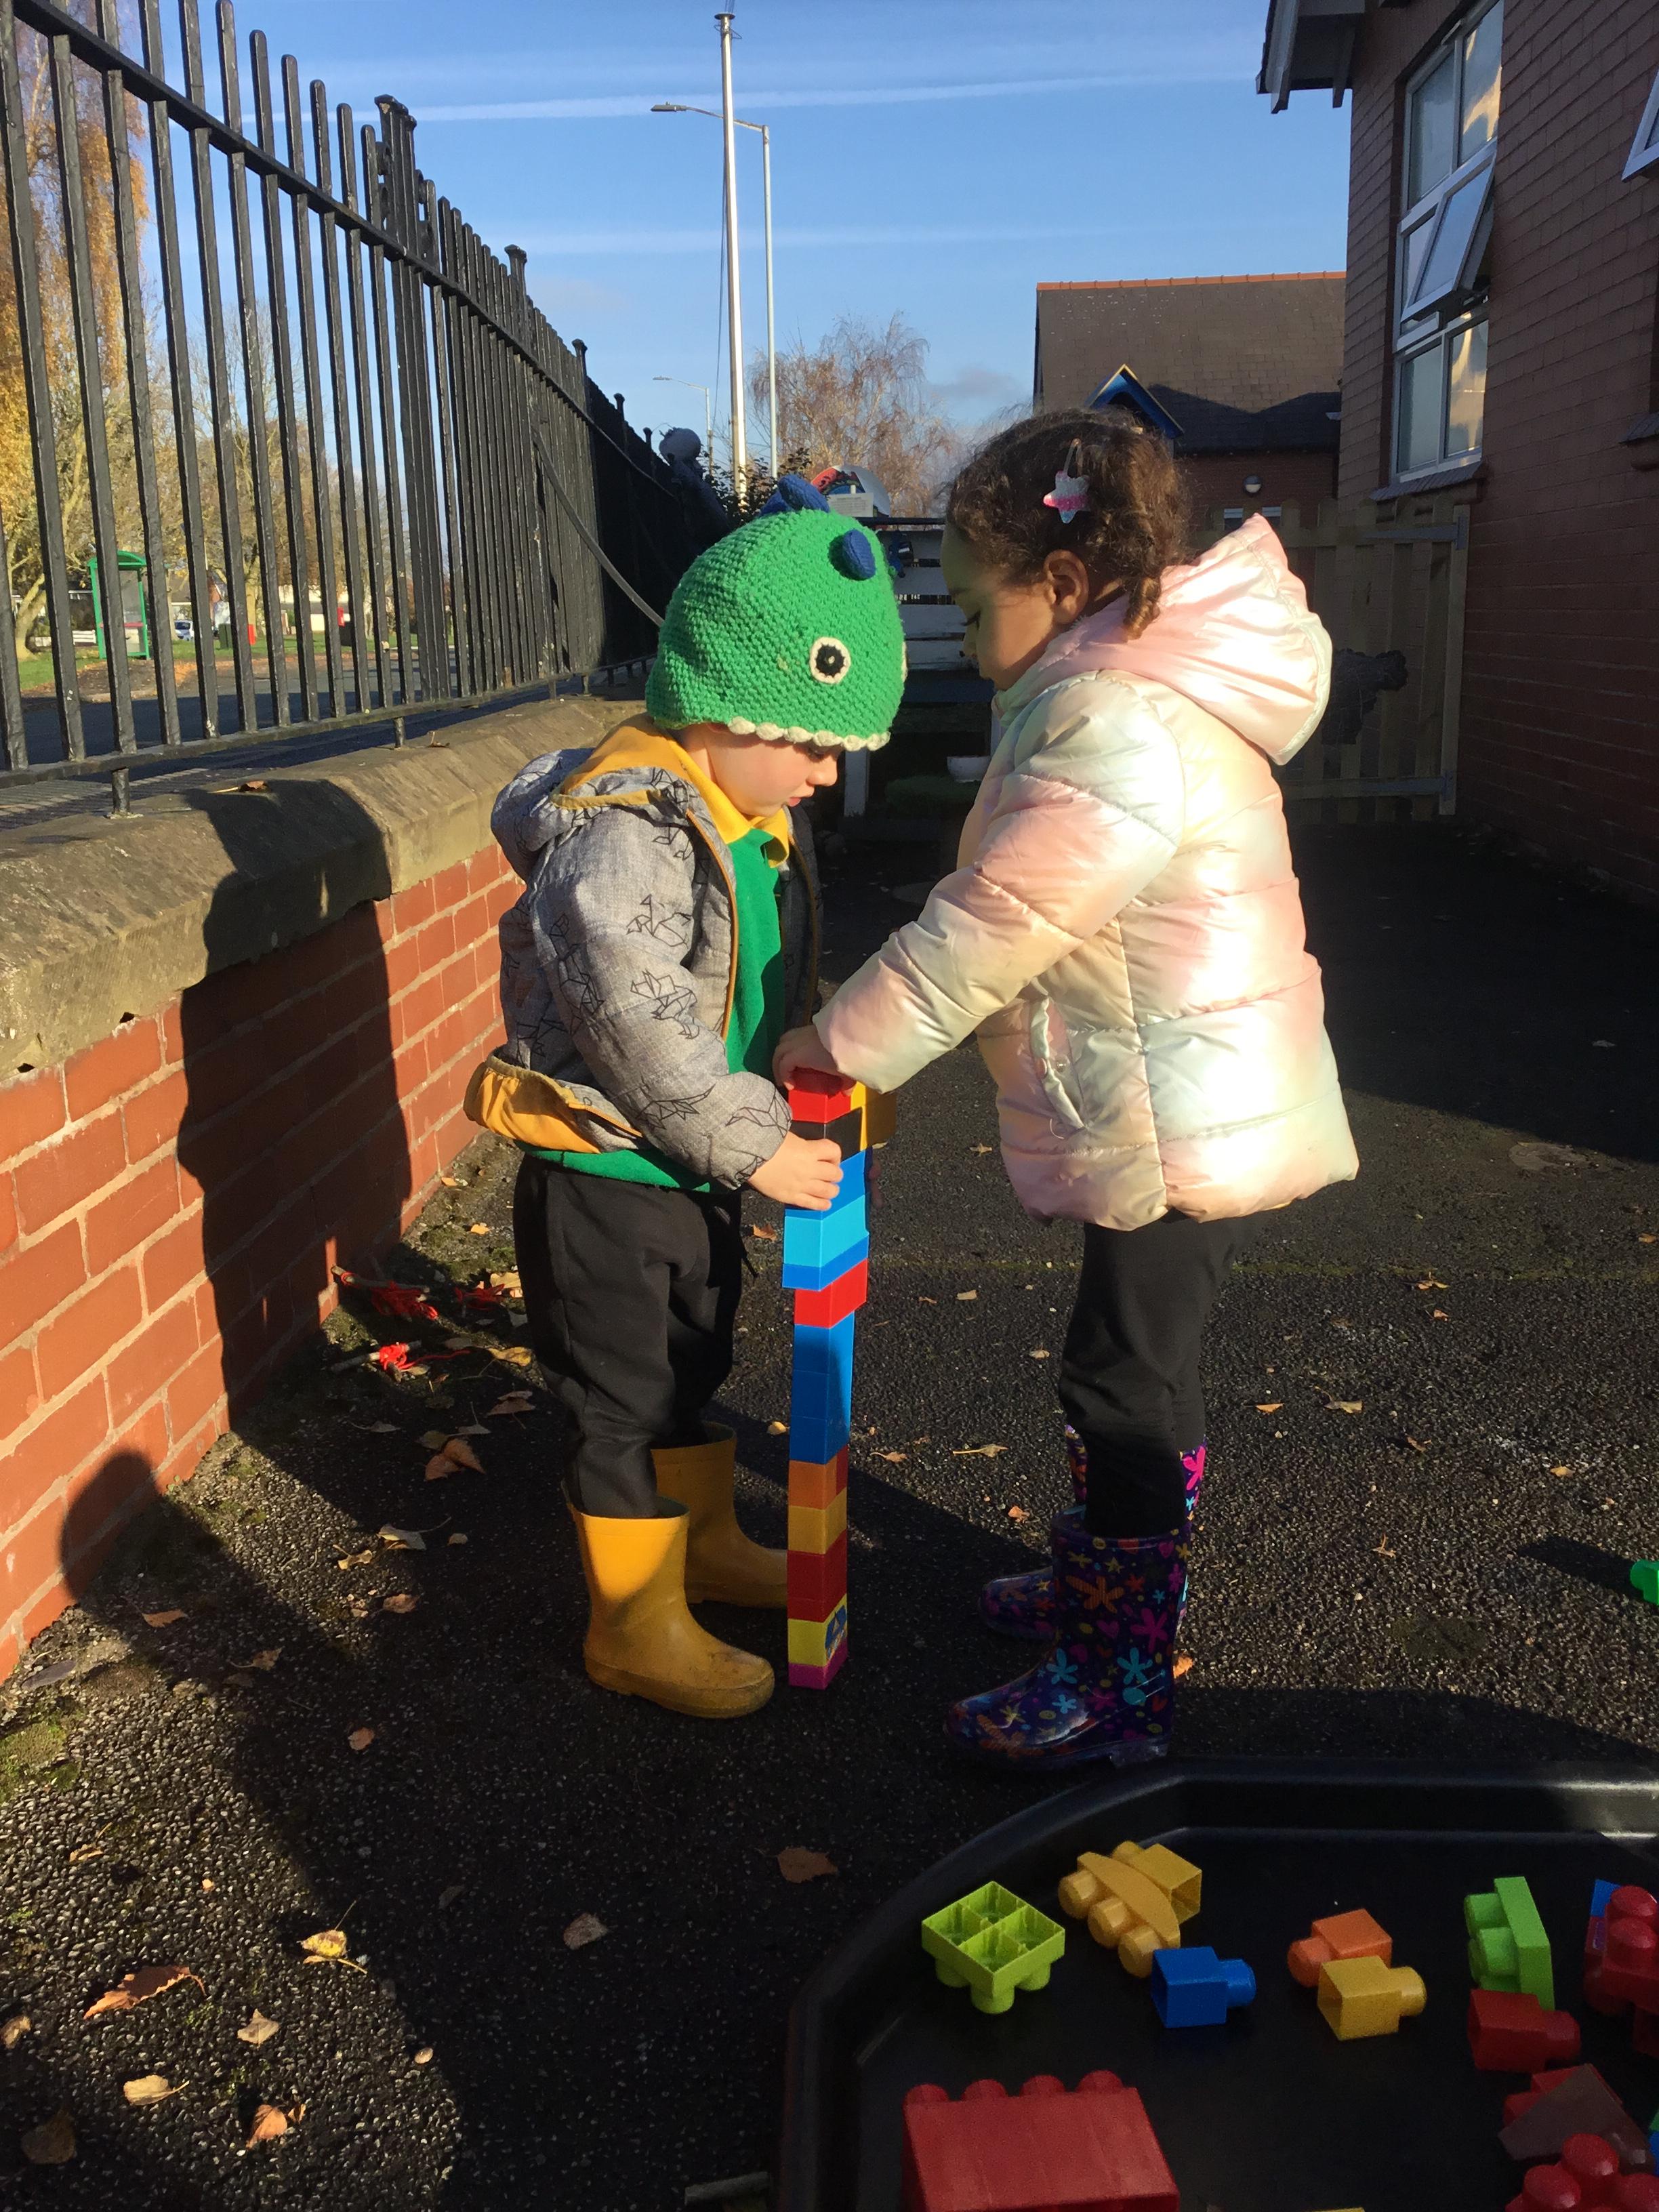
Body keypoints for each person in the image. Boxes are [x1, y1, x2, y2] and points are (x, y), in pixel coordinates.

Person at [775, 409, 1358, 1770]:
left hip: (1175, 1110)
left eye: (978, 608)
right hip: (1179, 1089)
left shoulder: (1113, 716)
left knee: (1123, 1382)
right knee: (1132, 1366)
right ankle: (1109, 1590)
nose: (971, 639)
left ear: (1064, 579)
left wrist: (839, 1041)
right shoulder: (1122, 688)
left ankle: (1118, 1679)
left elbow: (997, 923)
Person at [466, 478, 905, 1721]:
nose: (826, 772)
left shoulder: (741, 813)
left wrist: (798, 1066)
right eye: (811, 742)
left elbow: (750, 983)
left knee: (690, 1359)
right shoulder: (626, 836)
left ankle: (700, 1546)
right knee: (619, 1400)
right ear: (721, 706)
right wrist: (757, 1142)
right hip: (608, 1167)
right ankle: (632, 1621)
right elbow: (636, 1019)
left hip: (689, 1160)